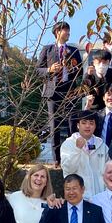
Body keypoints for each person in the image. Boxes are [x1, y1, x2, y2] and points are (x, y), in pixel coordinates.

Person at [37, 21, 83, 164]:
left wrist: (71, 68)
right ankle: (56, 159)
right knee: (54, 125)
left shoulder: (74, 51)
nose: (68, 33)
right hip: (52, 91)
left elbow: (80, 71)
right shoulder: (47, 49)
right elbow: (37, 70)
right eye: (66, 30)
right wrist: (49, 70)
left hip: (69, 90)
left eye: (69, 30)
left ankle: (72, 157)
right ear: (57, 32)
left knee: (71, 123)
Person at [61, 111, 108, 198]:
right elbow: (68, 170)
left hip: (100, 195)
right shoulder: (68, 144)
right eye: (84, 123)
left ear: (95, 126)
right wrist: (77, 149)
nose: (87, 126)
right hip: (77, 197)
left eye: (91, 123)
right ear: (78, 125)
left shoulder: (101, 145)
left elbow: (108, 170)